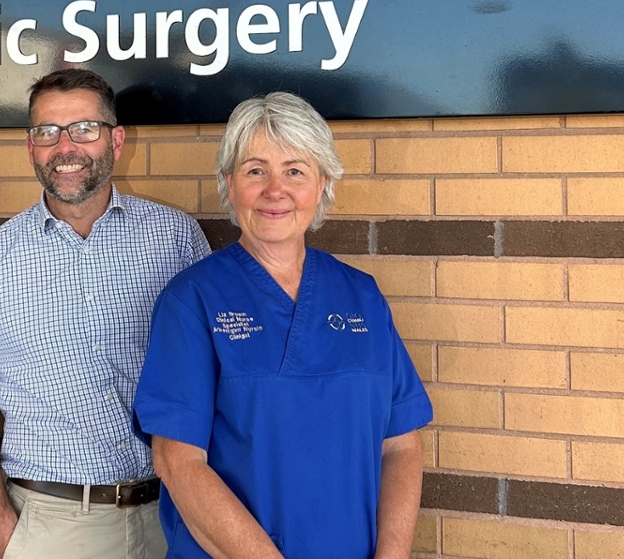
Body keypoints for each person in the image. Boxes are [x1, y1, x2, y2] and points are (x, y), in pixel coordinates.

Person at [135, 92, 433, 559]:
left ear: (322, 184)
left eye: (295, 170)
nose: (276, 190)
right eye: (256, 170)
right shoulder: (192, 299)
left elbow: (400, 446)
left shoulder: (363, 296)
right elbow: (178, 462)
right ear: (229, 184)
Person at [0, 69, 211, 559]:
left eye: (84, 128)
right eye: (47, 131)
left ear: (116, 139)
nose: (65, 147)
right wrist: (6, 533)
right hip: (50, 526)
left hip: (176, 514)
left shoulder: (176, 240)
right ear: (30, 146)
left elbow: (213, 374)